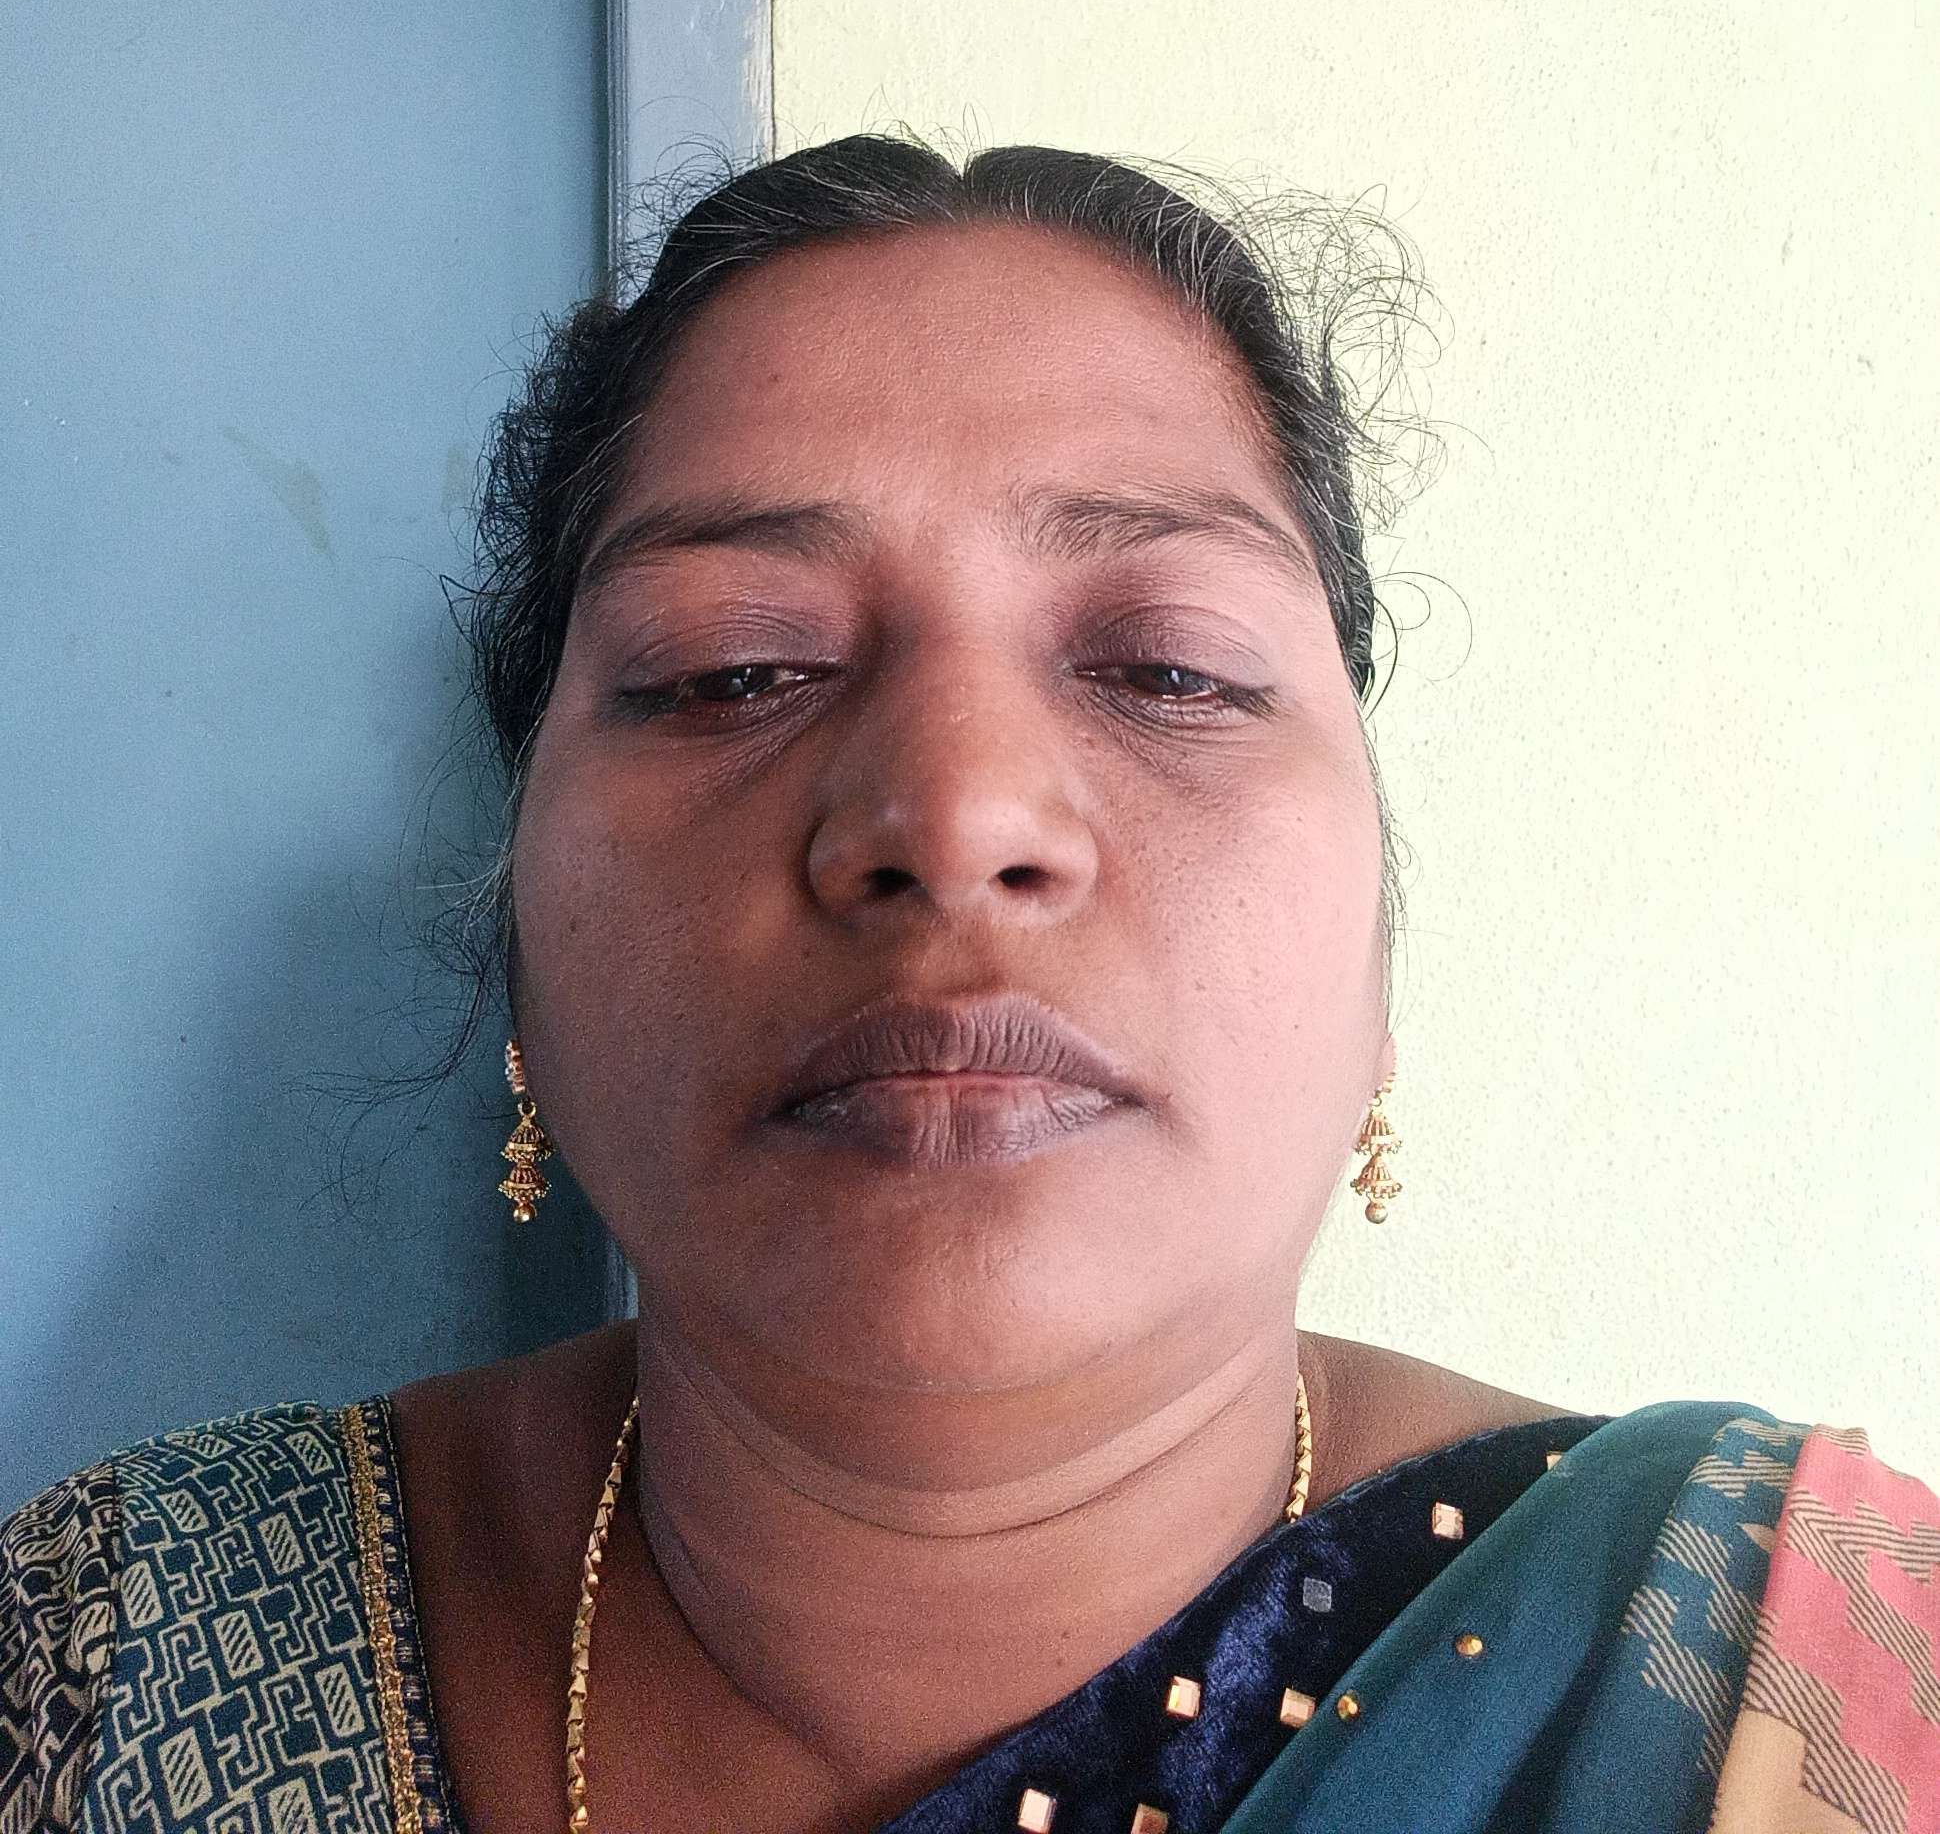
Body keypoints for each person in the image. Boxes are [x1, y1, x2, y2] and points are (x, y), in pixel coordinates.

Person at [4, 136, 1933, 1834]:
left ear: (1378, 963)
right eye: (733, 670)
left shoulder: (1795, 1692)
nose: (953, 814)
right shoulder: (105, 1669)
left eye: (1170, 668)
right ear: (519, 940)